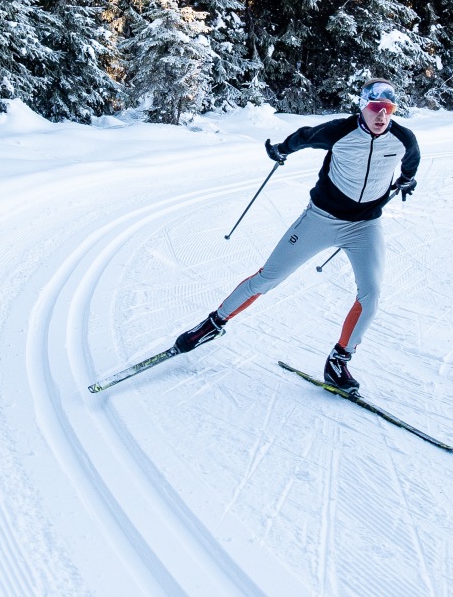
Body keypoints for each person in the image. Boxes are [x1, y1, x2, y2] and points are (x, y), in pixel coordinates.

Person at [171, 79, 420, 394]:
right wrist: (280, 150)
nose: (381, 115)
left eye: (388, 109)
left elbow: (412, 161)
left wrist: (407, 180)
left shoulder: (403, 138)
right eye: (374, 107)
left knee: (371, 295)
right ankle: (213, 324)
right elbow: (305, 137)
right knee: (267, 279)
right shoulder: (340, 131)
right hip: (321, 219)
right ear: (362, 105)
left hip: (364, 226)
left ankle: (338, 360)